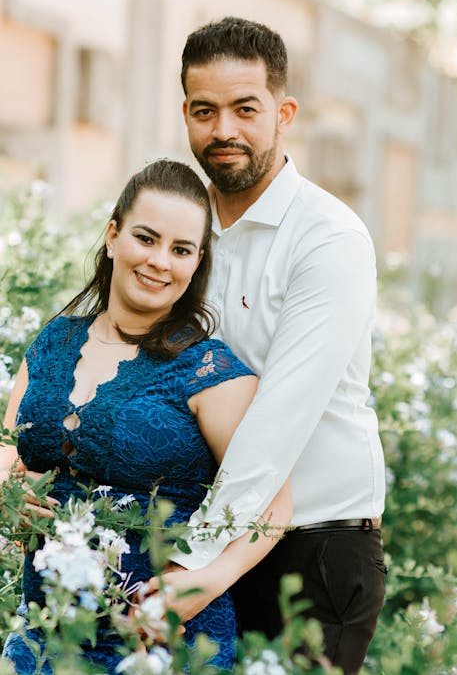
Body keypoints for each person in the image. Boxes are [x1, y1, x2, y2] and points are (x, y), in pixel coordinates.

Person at [0, 159, 291, 674]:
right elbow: (7, 448)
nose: (160, 261)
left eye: (181, 250)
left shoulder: (210, 371)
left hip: (158, 643)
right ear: (112, 236)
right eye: (146, 238)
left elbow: (275, 506)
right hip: (43, 633)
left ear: (196, 262)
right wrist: (8, 493)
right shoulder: (53, 342)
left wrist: (207, 580)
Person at [164, 16, 387, 675]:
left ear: (284, 113)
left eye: (244, 109)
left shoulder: (327, 239)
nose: (222, 130)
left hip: (312, 553)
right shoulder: (177, 235)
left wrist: (191, 567)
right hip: (202, 539)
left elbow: (274, 427)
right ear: (185, 114)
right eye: (204, 111)